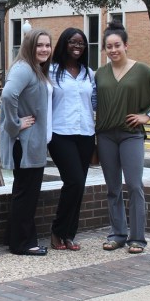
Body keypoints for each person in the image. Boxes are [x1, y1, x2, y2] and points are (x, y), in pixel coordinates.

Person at [95, 21, 150, 254]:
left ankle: (137, 238)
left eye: (117, 45)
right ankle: (117, 234)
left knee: (135, 185)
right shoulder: (100, 74)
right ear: (105, 49)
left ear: (126, 45)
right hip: (106, 136)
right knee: (113, 188)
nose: (113, 50)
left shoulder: (142, 70)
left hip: (131, 136)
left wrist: (147, 116)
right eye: (109, 46)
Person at [0, 28, 53, 256]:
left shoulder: (35, 69)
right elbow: (7, 95)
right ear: (30, 46)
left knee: (25, 192)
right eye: (39, 45)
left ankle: (17, 239)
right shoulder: (24, 69)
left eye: (47, 45)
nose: (44, 49)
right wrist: (14, 124)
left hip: (34, 142)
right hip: (26, 142)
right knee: (27, 193)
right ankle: (23, 244)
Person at [47, 28, 97, 252]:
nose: (77, 46)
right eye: (72, 42)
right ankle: (57, 230)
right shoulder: (50, 71)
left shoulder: (89, 73)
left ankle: (69, 235)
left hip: (85, 134)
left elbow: (95, 103)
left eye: (81, 43)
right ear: (64, 44)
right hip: (60, 133)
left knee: (79, 186)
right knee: (74, 180)